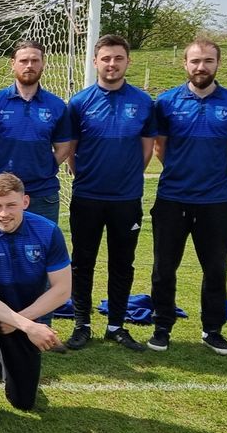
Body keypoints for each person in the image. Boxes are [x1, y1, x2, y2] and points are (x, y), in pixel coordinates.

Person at [146, 38, 227, 355]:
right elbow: (160, 147)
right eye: (195, 61)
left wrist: (208, 177)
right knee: (164, 268)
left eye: (207, 61)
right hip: (172, 198)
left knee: (215, 268)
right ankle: (162, 326)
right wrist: (183, 172)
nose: (201, 67)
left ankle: (212, 329)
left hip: (216, 201)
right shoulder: (165, 102)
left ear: (218, 64)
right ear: (185, 64)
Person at [63, 34, 157, 351]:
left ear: (127, 61)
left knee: (122, 263)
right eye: (106, 58)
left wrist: (125, 176)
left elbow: (147, 150)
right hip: (88, 196)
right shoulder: (79, 103)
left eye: (118, 58)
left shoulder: (143, 102)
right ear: (96, 62)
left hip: (126, 199)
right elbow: (72, 152)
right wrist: (89, 177)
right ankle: (82, 324)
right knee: (82, 262)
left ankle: (116, 325)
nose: (112, 64)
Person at [0, 172, 71, 431]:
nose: (3, 214)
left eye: (11, 205)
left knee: (24, 402)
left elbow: (63, 290)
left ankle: (1, 354)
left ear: (25, 202)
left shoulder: (47, 231)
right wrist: (28, 326)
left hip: (25, 307)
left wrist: (23, 321)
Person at [0, 40, 72, 223]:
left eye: (35, 61)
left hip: (43, 195)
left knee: (41, 250)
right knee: (0, 249)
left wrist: (44, 167)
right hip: (3, 195)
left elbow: (64, 147)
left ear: (43, 64)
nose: (29, 65)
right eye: (24, 60)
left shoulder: (57, 105)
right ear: (13, 64)